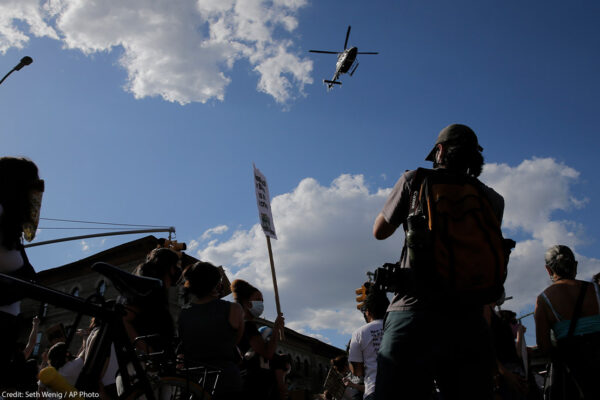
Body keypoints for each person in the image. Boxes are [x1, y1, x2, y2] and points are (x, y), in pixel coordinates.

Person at [373, 124, 504, 400]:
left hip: (413, 312)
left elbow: (379, 232)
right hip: (468, 320)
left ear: (440, 150)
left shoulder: (415, 180)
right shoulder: (491, 199)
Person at [534, 245, 600, 399]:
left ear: (548, 270)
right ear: (575, 265)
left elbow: (544, 346)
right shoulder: (595, 290)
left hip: (573, 371)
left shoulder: (544, 300)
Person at [0, 157, 43, 391]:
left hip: (7, 327)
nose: (37, 193)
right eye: (34, 185)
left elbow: (31, 276)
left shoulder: (11, 227)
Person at [177, 261, 245, 400]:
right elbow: (235, 340)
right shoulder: (234, 309)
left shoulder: (183, 314)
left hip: (194, 380)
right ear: (217, 284)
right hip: (225, 378)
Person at [231, 279, 285, 400]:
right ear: (246, 301)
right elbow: (267, 353)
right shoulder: (248, 326)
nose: (261, 303)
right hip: (252, 383)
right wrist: (276, 329)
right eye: (258, 299)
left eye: (262, 300)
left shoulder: (237, 323)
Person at [348, 290, 387, 400]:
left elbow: (357, 371)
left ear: (368, 312)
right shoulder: (398, 327)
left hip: (375, 390)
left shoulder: (360, 333)